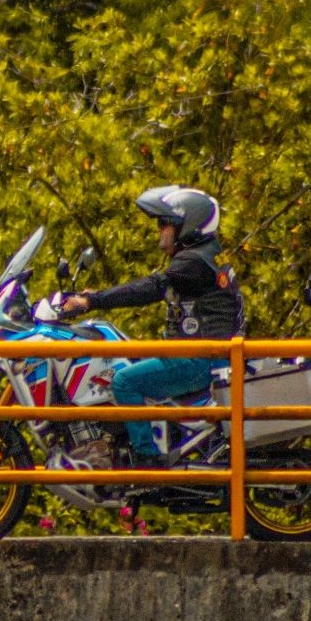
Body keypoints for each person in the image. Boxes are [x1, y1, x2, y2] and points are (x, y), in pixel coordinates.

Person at [59, 185, 245, 464]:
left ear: (187, 225)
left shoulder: (193, 262)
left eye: (165, 223)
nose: (160, 230)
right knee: (127, 360)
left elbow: (151, 287)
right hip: (205, 355)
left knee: (123, 381)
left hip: (200, 361)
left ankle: (146, 461)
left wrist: (92, 301)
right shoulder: (204, 255)